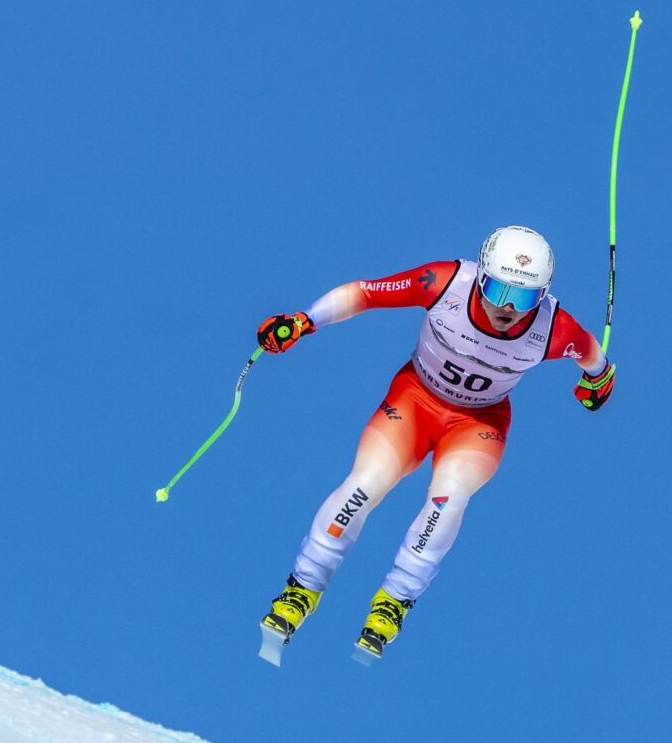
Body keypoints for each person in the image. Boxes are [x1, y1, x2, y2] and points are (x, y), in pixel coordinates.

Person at [255, 225, 616, 664]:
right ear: (480, 275)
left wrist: (598, 383)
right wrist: (305, 321)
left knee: (449, 496)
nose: (506, 307)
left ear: (541, 297)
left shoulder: (556, 328)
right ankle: (302, 588)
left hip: (478, 421)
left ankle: (395, 600)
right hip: (414, 402)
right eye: (498, 289)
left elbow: (596, 362)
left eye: (522, 298)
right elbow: (365, 293)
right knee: (367, 483)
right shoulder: (443, 282)